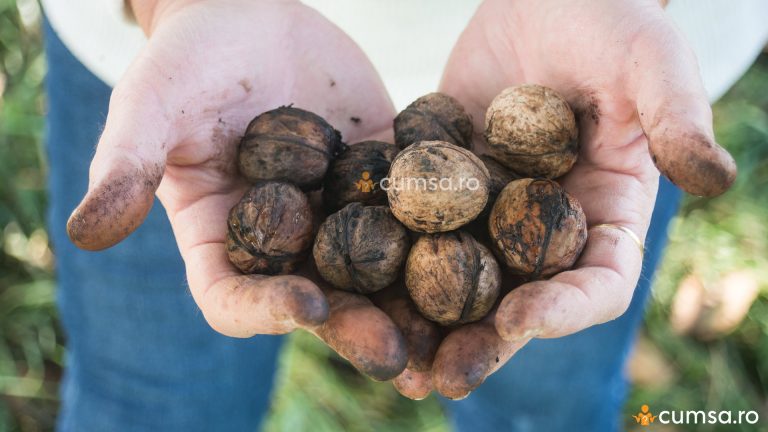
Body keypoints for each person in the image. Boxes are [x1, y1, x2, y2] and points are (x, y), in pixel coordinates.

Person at [41, 0, 768, 430]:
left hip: (605, 74)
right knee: (152, 395)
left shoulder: (547, 167)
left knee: (548, 397)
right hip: (205, 74)